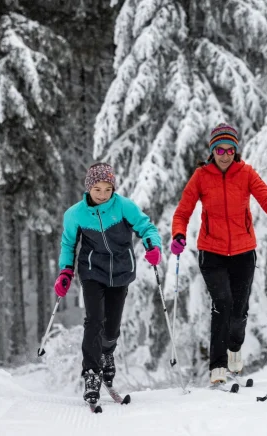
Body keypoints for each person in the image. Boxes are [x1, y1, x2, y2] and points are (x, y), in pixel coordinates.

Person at [171, 123, 267, 386]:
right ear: (212, 151)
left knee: (239, 309)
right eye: (219, 149)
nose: (225, 154)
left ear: (236, 150)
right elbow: (182, 212)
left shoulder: (246, 173)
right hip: (211, 252)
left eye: (229, 149)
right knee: (222, 303)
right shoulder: (201, 176)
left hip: (244, 252)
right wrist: (178, 234)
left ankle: (235, 347)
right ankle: (217, 366)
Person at [56, 162, 162, 405]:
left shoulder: (124, 207)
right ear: (88, 189)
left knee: (112, 325)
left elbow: (146, 227)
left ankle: (107, 355)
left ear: (113, 188)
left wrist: (152, 245)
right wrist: (65, 271)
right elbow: (69, 245)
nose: (103, 194)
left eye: (107, 189)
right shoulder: (75, 214)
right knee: (94, 320)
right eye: (97, 189)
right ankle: (91, 373)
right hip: (92, 271)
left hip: (122, 271)